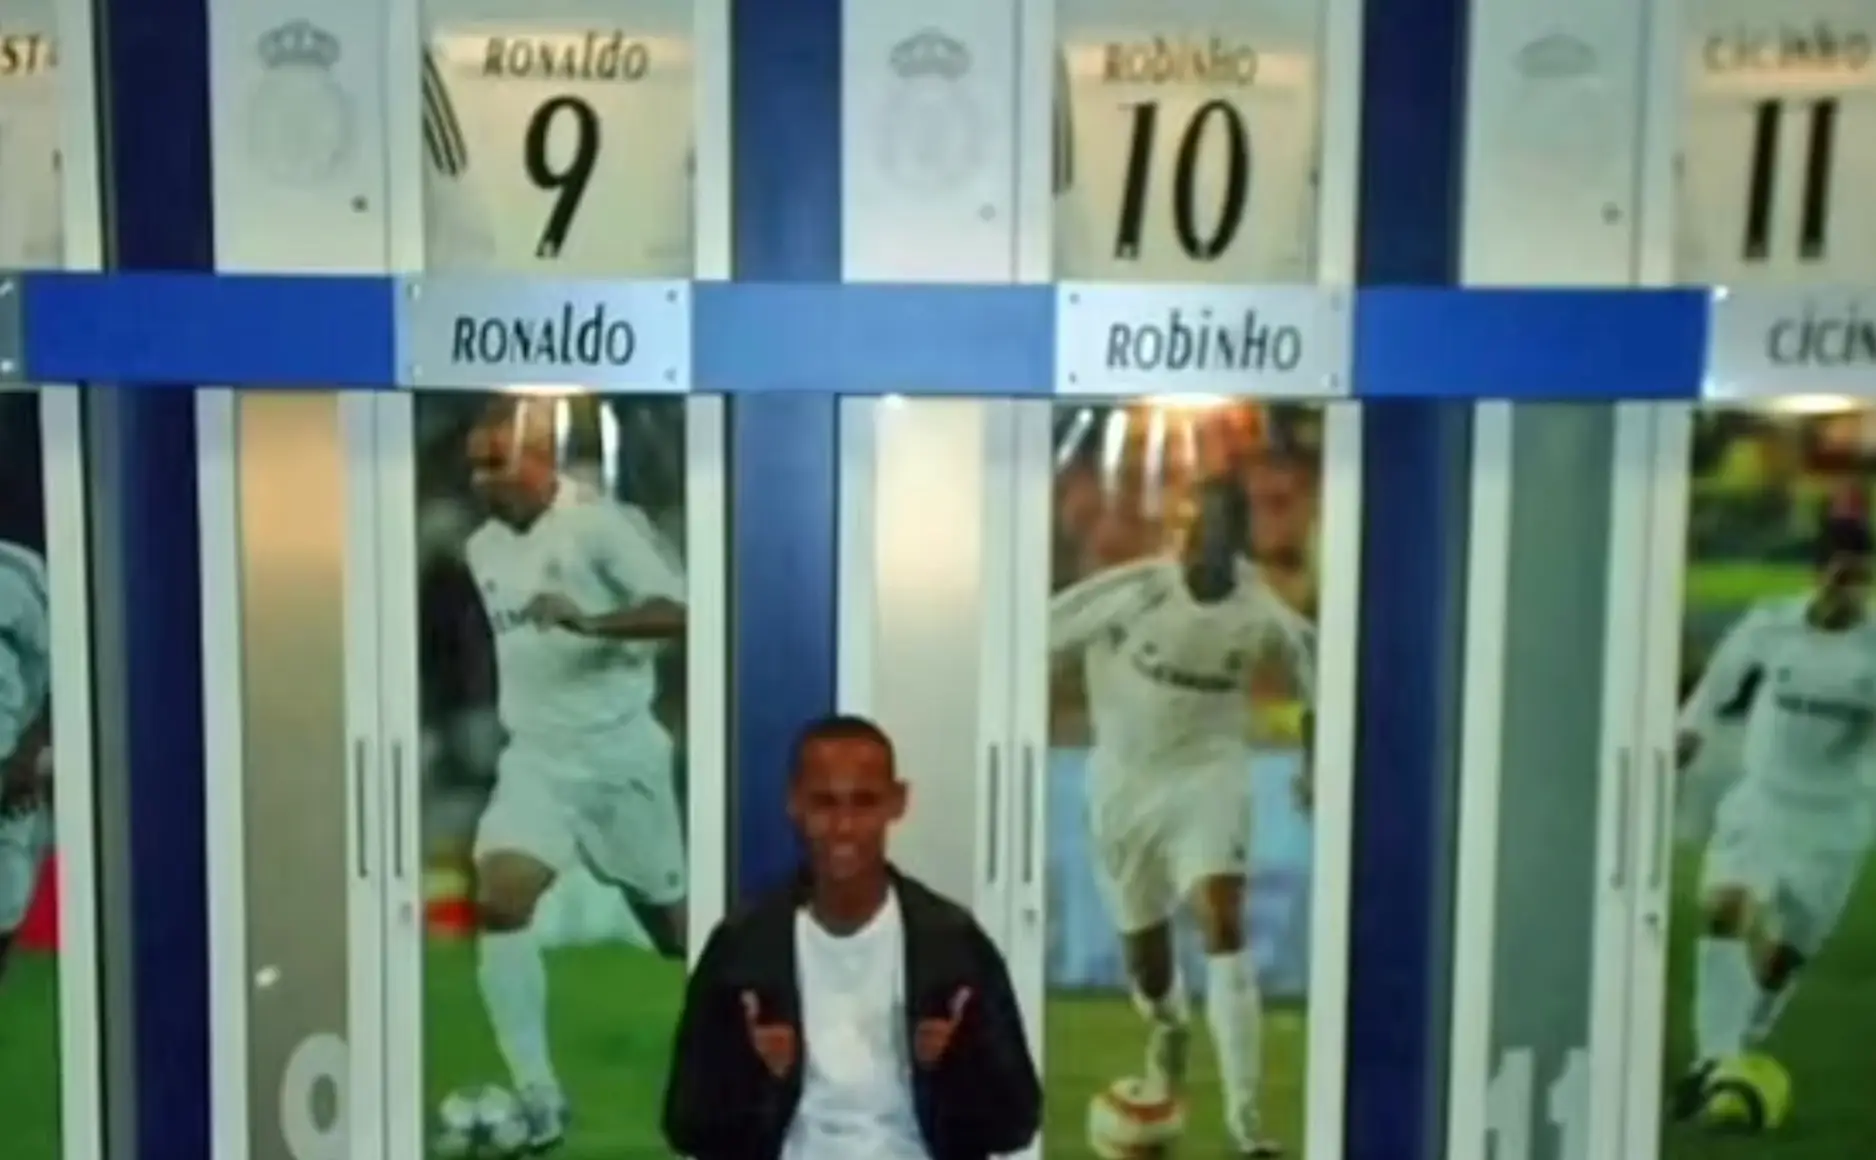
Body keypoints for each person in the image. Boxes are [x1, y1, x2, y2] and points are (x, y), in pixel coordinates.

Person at [1048, 475, 1315, 1159]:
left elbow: (1318, 674)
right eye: (1196, 529)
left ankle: (1246, 1121)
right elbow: (1038, 639)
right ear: (1178, 534)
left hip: (1209, 778)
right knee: (1148, 957)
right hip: (1124, 788)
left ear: (1238, 540)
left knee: (1224, 923)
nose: (1205, 543)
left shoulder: (1261, 612)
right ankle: (1167, 1028)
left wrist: (1317, 762)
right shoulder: (1132, 590)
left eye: (1222, 530)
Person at [458, 399, 689, 1148]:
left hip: (620, 758)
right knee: (501, 894)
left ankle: (767, 1051)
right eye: (473, 463)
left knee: (680, 936)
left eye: (494, 461)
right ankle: (538, 1095)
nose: (479, 478)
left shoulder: (600, 525)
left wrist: (591, 623)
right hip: (537, 761)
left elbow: (683, 609)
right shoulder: (481, 549)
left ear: (540, 458)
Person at [662, 715, 1041, 1160]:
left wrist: (954, 1065)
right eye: (824, 803)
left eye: (864, 803)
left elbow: (1016, 1123)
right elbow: (686, 1126)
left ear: (897, 803)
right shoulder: (744, 947)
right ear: (795, 803)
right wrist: (756, 1074)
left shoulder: (953, 944)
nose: (844, 827)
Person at [1671, 515, 1876, 1120]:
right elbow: (1717, 682)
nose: (1853, 591)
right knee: (1727, 908)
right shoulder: (1772, 624)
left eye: (1863, 580)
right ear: (1818, 575)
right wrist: (1687, 733)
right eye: (1843, 576)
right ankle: (1712, 1063)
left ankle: (1747, 1031)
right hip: (1762, 801)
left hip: (1837, 821)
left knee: (1784, 955)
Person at [0, 537, 51, 986]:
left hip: (9, 770)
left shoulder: (16, 575)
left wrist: (28, 753)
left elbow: (63, 666)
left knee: (7, 891)